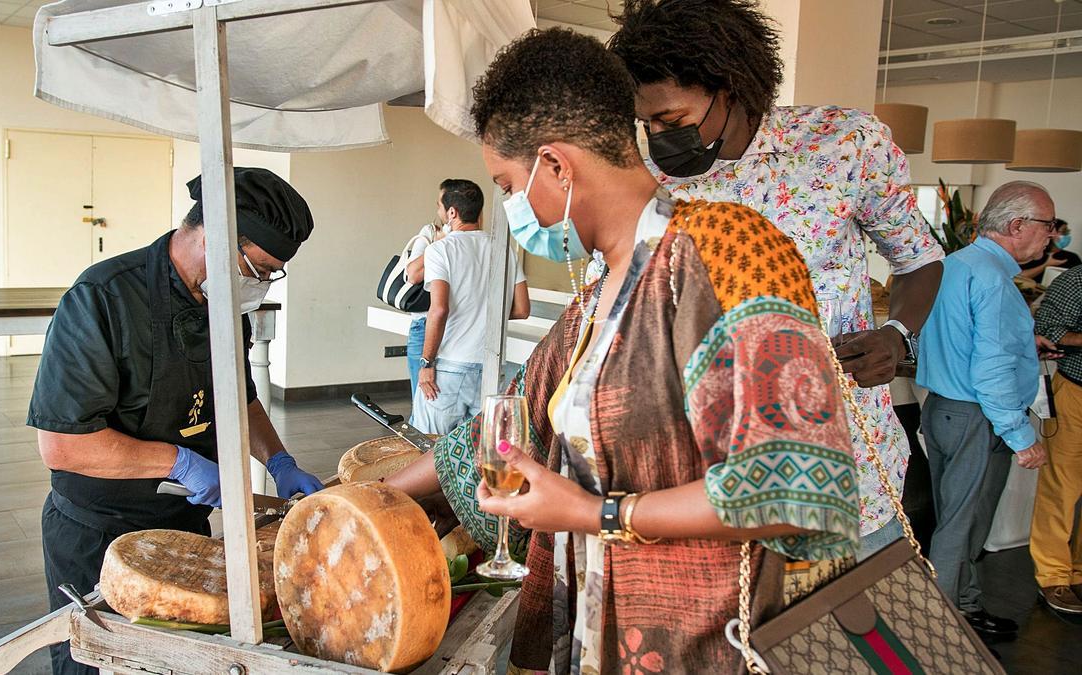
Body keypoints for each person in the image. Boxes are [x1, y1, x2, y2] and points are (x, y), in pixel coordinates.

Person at [386, 28, 858, 673]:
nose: (509, 206)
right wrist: (374, 496)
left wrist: (590, 511)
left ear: (556, 166)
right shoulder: (601, 289)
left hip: (708, 642)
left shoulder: (727, 253)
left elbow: (796, 481)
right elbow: (504, 426)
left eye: (506, 184)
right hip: (599, 628)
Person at [609, 0, 945, 558]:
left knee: (864, 636)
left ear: (731, 87)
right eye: (646, 123)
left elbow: (918, 258)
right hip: (703, 482)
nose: (657, 137)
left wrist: (897, 336)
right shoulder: (646, 184)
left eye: (671, 120)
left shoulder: (844, 145)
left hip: (846, 465)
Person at [27, 168, 325, 675]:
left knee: (178, 661)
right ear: (219, 240)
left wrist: (279, 460)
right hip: (98, 536)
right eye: (260, 269)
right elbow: (62, 445)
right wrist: (180, 462)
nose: (263, 283)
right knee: (100, 665)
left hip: (184, 533)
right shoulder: (102, 298)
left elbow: (241, 400)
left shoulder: (226, 307)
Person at [916, 181, 1056, 641]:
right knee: (962, 527)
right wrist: (1021, 436)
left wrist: (1023, 342)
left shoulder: (952, 264)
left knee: (958, 520)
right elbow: (991, 369)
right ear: (1016, 225)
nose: (1051, 237)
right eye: (1047, 225)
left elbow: (962, 336)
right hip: (977, 415)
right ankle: (944, 631)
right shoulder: (994, 278)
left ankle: (965, 608)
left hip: (945, 410)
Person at [410, 178, 530, 434]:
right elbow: (522, 309)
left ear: (452, 212)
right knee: (477, 451)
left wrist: (426, 364)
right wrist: (482, 310)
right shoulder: (504, 250)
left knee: (426, 448)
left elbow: (439, 310)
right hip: (492, 366)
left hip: (450, 366)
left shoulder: (441, 250)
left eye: (439, 206)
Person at [1031, 264, 1082, 615]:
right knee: (1061, 486)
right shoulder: (1077, 280)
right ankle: (1053, 576)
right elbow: (1044, 326)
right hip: (1077, 393)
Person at [402, 219, 446, 397]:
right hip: (424, 323)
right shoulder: (431, 233)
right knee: (423, 397)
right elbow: (413, 275)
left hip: (455, 325)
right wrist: (441, 242)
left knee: (441, 401)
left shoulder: (475, 240)